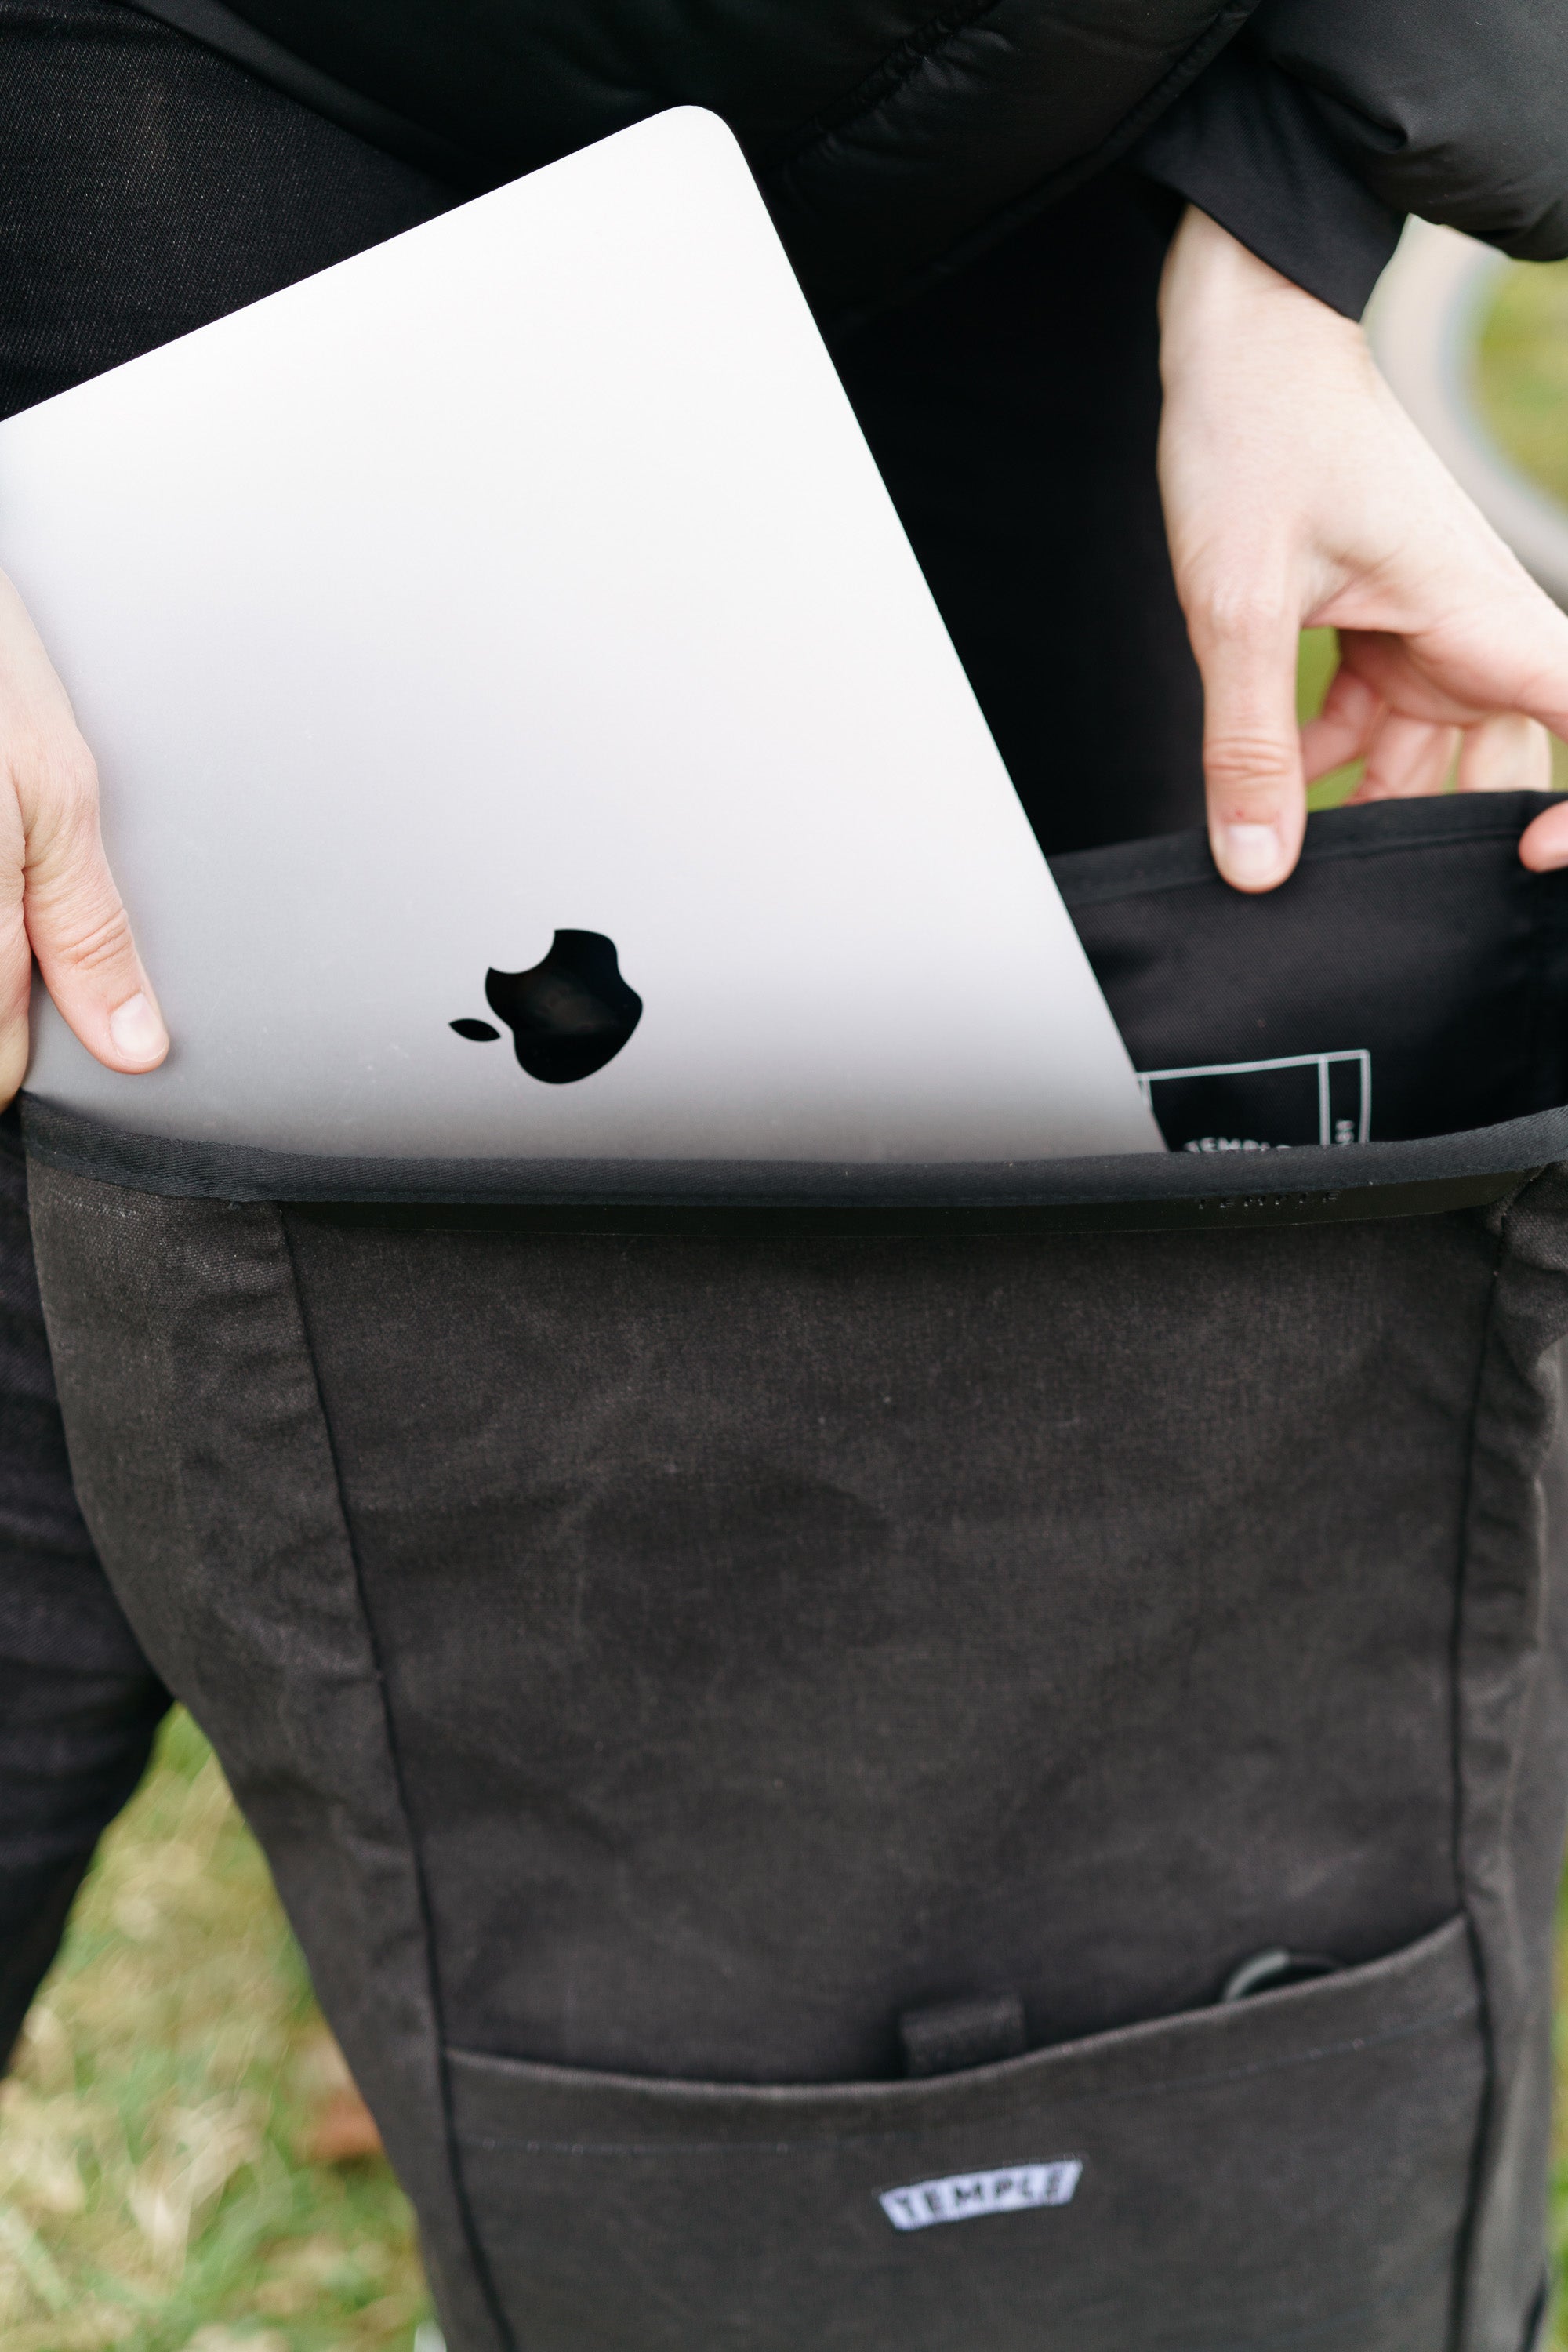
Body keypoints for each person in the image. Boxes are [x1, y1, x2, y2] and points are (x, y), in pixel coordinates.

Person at [3, 4, 1568, 2342]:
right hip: (191, 84)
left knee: (1010, 1330)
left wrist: (1290, 209)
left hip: (1047, 122)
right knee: (93, 1281)